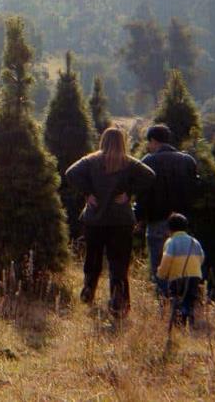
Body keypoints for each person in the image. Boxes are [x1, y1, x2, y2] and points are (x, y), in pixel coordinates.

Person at [65, 127, 155, 317]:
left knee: (93, 259)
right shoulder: (129, 162)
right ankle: (118, 300)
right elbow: (150, 175)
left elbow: (70, 173)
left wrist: (87, 193)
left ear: (103, 140)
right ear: (122, 142)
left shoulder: (91, 160)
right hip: (121, 221)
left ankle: (88, 291)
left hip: (94, 219)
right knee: (118, 263)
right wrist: (129, 193)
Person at [136, 124, 199, 296]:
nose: (148, 146)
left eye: (149, 143)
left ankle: (164, 301)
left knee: (159, 265)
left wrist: (139, 218)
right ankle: (180, 299)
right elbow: (195, 191)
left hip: (157, 221)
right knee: (182, 264)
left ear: (153, 141)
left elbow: (142, 195)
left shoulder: (148, 162)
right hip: (182, 224)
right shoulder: (187, 160)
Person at [156, 212, 204, 325]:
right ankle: (190, 323)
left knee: (177, 302)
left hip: (177, 276)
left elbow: (166, 260)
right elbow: (201, 257)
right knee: (190, 301)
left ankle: (178, 324)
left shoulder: (171, 242)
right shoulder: (194, 242)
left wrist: (161, 274)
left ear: (169, 229)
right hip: (195, 276)